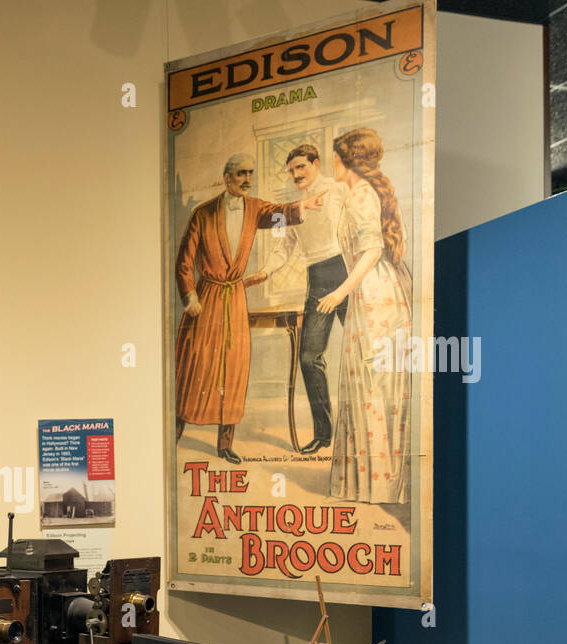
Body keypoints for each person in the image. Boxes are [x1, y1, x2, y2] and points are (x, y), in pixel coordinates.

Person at [174, 154, 321, 463]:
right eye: (241, 174)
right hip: (207, 298)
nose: (247, 179)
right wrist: (189, 296)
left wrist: (301, 208)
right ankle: (175, 429)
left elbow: (278, 216)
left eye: (250, 174)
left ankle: (225, 444)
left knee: (234, 368)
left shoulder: (254, 209)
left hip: (234, 298)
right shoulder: (202, 214)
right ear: (227, 178)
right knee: (195, 366)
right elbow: (184, 260)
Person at [316, 128, 413, 504]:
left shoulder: (360, 195)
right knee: (373, 385)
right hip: (375, 292)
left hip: (374, 294)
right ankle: (375, 483)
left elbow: (371, 249)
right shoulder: (363, 192)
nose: (333, 164)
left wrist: (341, 291)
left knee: (373, 386)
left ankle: (380, 485)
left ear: (348, 160)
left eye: (336, 157)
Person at [260, 144, 350, 454]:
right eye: (292, 170)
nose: (296, 174)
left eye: (301, 167)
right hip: (318, 279)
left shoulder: (339, 190)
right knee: (309, 357)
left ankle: (368, 437)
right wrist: (264, 273)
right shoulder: (293, 207)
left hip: (347, 270)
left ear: (316, 163)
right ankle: (324, 436)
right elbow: (282, 248)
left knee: (363, 352)